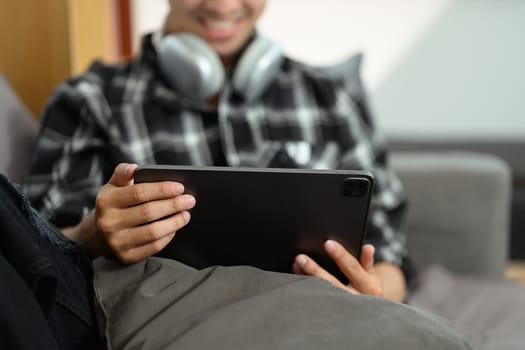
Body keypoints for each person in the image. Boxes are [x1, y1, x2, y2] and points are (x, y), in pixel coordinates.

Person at [16, 1, 474, 348]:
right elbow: (40, 249)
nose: (222, 6)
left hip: (327, 316)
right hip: (185, 321)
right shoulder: (89, 101)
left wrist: (373, 292)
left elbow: (391, 252)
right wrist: (94, 233)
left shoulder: (329, 98)